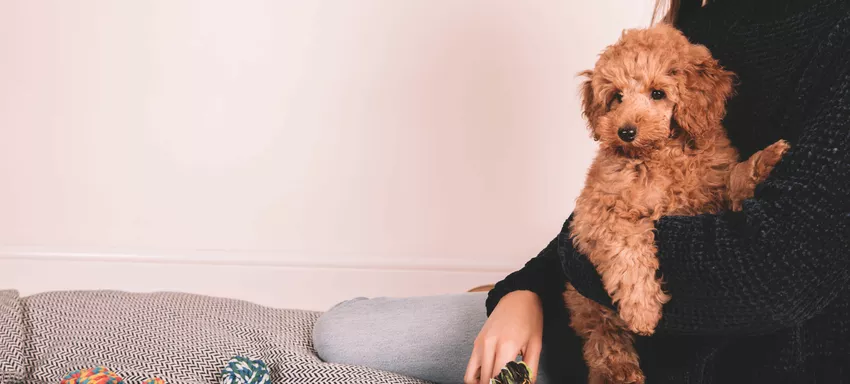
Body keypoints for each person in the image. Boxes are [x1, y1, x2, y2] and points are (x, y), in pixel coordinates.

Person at [312, 0, 850, 382]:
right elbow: (608, 199)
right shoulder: (698, 15)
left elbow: (781, 275)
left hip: (733, 352)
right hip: (606, 307)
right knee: (344, 332)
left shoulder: (833, 32)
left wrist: (588, 261)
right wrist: (523, 290)